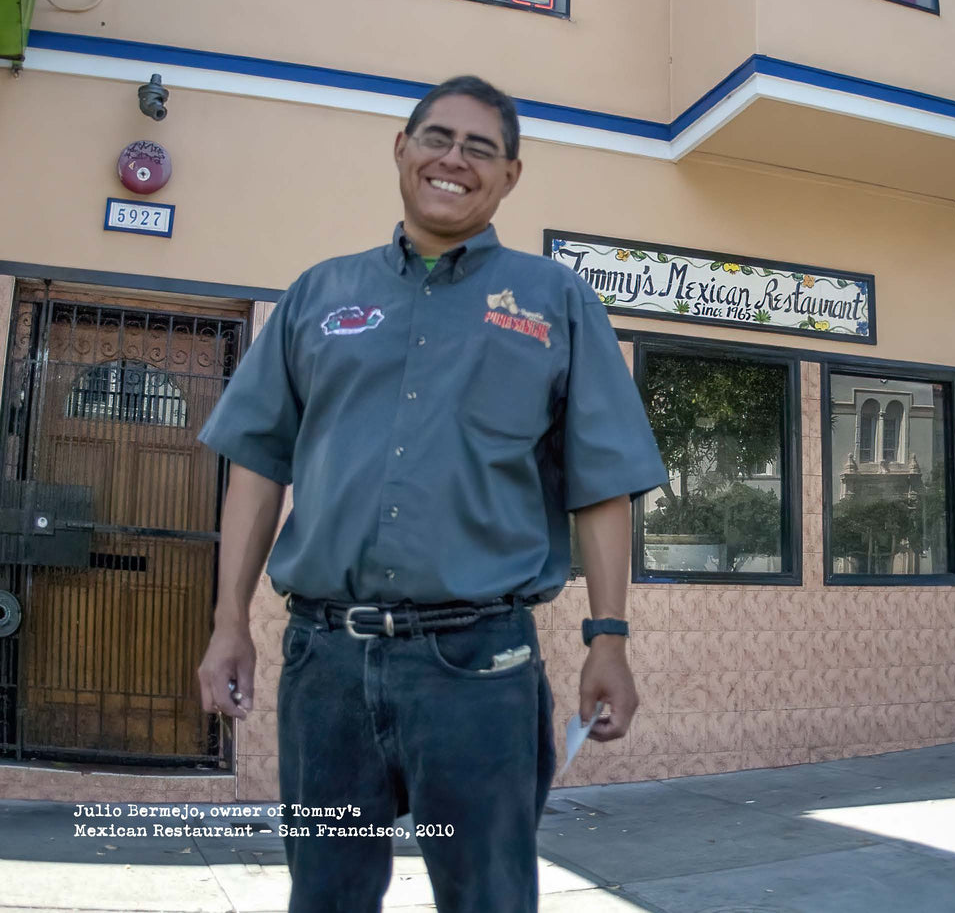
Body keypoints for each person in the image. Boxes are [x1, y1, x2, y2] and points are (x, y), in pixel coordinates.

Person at [195, 74, 668, 913]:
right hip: (325, 667)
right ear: (402, 150)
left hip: (479, 670)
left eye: (481, 149)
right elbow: (259, 464)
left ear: (511, 177)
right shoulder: (319, 295)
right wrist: (230, 622)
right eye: (438, 139)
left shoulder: (555, 301)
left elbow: (602, 485)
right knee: (327, 895)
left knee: (488, 896)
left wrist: (610, 637)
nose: (455, 160)